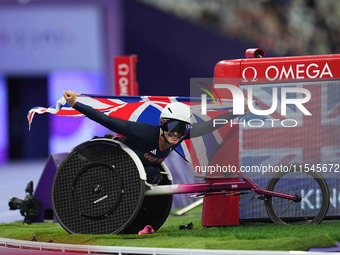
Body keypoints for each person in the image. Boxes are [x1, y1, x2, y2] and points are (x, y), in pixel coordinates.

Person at [63, 91, 242, 184]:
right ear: (163, 124)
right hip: (115, 162)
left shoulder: (181, 136)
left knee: (155, 175)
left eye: (183, 128)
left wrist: (239, 111)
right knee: (150, 173)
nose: (176, 134)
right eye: (173, 127)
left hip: (144, 168)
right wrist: (75, 104)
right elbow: (106, 120)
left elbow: (210, 125)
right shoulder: (143, 131)